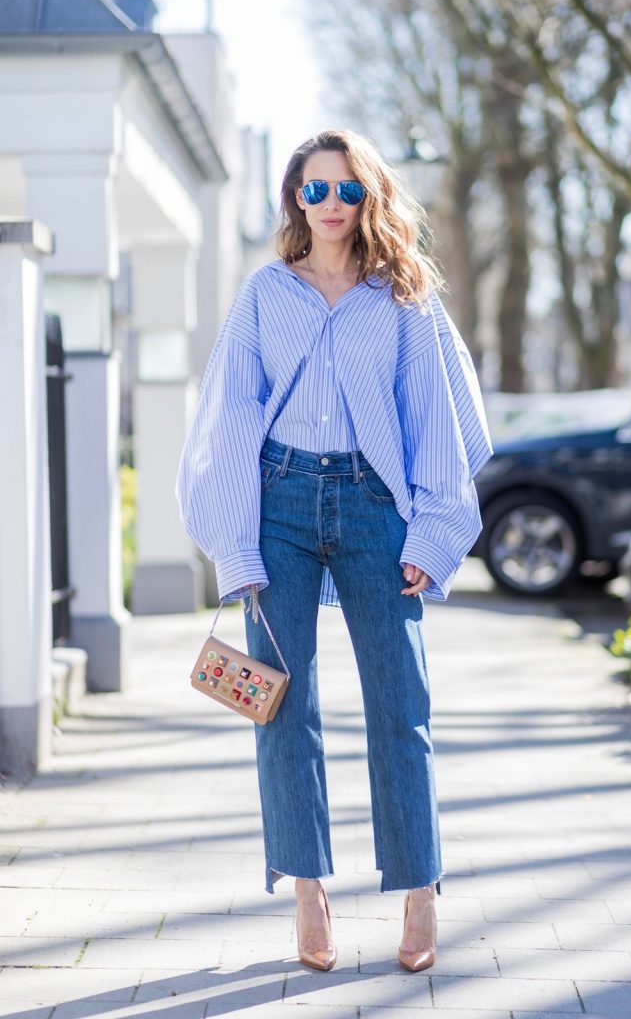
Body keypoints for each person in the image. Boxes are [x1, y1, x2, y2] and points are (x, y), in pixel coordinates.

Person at [175, 129, 493, 973]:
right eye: (316, 191)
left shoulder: (404, 297)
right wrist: (235, 546)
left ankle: (419, 889)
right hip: (276, 501)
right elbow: (227, 420)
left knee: (403, 708)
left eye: (348, 191)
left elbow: (438, 419)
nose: (331, 206)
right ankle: (309, 891)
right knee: (281, 707)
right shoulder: (262, 295)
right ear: (294, 201)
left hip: (371, 505)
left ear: (369, 199)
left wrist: (431, 533)